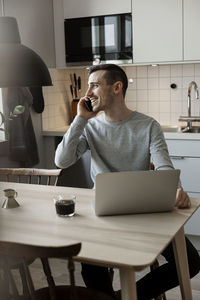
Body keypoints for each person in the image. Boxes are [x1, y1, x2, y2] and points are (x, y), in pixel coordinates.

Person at [55, 64, 200, 299]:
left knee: (192, 261)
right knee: (91, 262)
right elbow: (62, 160)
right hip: (102, 213)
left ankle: (125, 296)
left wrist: (177, 188)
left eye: (94, 85)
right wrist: (80, 119)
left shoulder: (148, 125)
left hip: (143, 211)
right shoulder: (89, 126)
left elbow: (163, 165)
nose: (88, 92)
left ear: (117, 88)